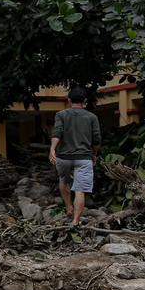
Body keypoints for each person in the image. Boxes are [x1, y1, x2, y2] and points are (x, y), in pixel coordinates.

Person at [49, 87, 102, 225]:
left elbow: (57, 133)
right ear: (85, 100)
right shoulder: (91, 117)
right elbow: (96, 140)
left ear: (69, 100)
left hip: (63, 157)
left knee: (63, 179)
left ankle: (68, 207)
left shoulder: (61, 115)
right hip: (83, 158)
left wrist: (52, 149)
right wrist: (94, 154)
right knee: (80, 190)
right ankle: (76, 221)